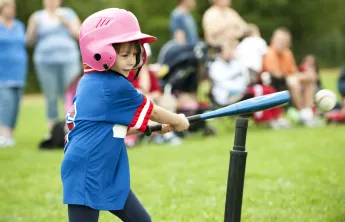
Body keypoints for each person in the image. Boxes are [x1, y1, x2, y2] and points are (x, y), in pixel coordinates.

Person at [61, 8, 190, 222]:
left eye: (134, 54)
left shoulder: (90, 82)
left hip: (104, 168)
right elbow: (154, 110)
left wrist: (149, 128)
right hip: (87, 169)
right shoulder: (113, 85)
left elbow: (106, 127)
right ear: (100, 52)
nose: (132, 61)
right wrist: (179, 120)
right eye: (124, 55)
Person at [26, 0, 81, 133]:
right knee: (50, 95)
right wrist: (33, 26)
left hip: (69, 59)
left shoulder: (68, 14)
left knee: (70, 93)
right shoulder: (37, 17)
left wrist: (66, 23)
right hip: (45, 62)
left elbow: (79, 34)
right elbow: (28, 42)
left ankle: (71, 125)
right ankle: (53, 130)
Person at [262, 27, 319, 126]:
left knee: (309, 79)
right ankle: (303, 113)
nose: (282, 44)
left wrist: (306, 77)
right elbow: (277, 76)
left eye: (285, 41)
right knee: (293, 82)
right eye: (279, 40)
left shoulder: (288, 53)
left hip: (288, 81)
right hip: (275, 83)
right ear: (272, 40)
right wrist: (297, 77)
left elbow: (294, 72)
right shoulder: (269, 53)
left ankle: (307, 113)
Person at [0, 0, 27, 147]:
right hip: (2, 73)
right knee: (6, 103)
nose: (12, 10)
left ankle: (9, 134)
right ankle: (2, 134)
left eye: (13, 7)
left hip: (18, 72)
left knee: (15, 104)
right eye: (9, 7)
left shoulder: (19, 26)